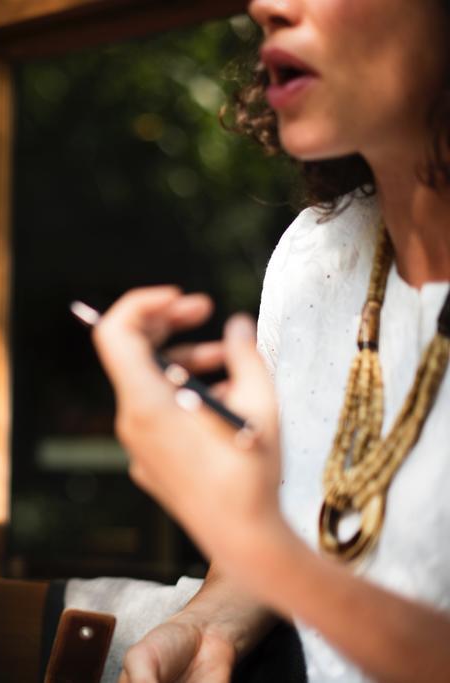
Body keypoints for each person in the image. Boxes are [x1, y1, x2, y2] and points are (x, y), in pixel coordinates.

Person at [89, 0, 450, 681]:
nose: (266, 5)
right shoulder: (320, 253)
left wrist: (250, 538)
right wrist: (203, 627)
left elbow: (275, 553)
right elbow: (295, 538)